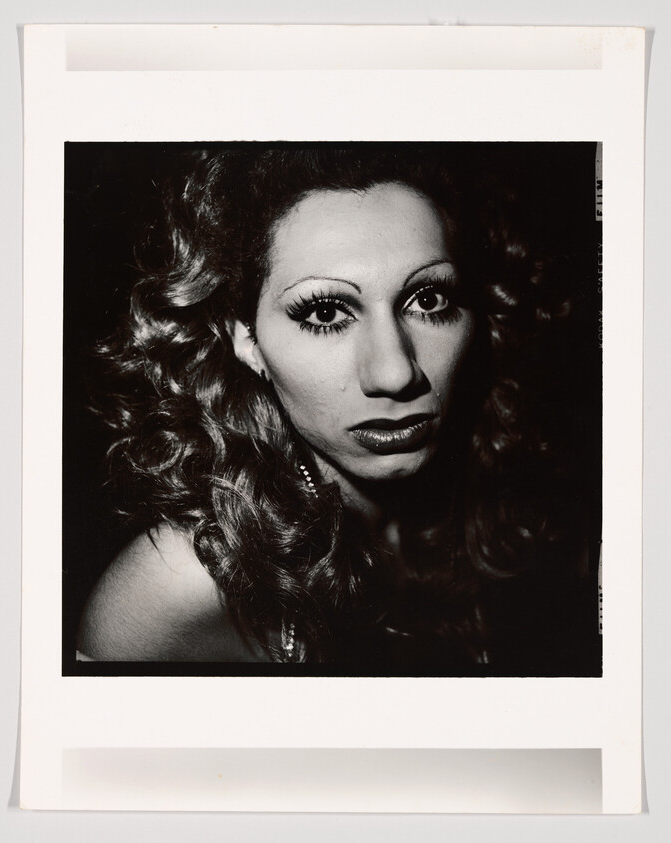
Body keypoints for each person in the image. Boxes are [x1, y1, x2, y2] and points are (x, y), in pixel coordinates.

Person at [75, 145, 600, 671]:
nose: (395, 372)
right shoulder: (180, 586)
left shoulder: (514, 501)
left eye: (428, 300)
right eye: (326, 312)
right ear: (246, 338)